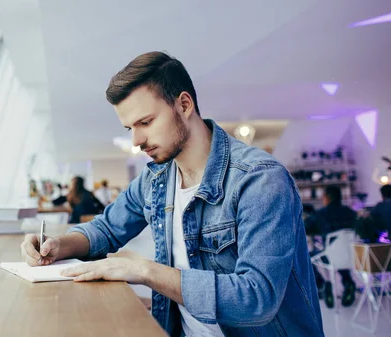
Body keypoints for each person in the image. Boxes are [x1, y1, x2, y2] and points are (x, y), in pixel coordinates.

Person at [20, 51, 323, 336]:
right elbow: (106, 228)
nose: (138, 140)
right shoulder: (156, 178)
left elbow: (257, 299)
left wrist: (144, 271)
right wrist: (59, 245)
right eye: (130, 128)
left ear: (184, 105)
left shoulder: (260, 180)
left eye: (146, 122)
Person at [304, 186, 357, 308]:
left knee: (307, 257)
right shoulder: (351, 212)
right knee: (339, 253)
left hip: (330, 256)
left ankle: (322, 284)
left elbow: (305, 228)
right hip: (352, 256)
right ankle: (348, 281)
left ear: (327, 197)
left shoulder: (322, 214)